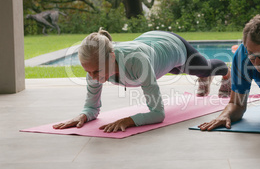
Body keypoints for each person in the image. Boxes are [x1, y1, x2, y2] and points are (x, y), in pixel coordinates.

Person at [53, 29, 231, 133]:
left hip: (172, 44)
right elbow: (92, 107)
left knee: (202, 68)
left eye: (96, 71)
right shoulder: (94, 68)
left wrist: (127, 121)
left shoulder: (137, 62)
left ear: (112, 56)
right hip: (152, 48)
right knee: (174, 70)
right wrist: (83, 115)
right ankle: (202, 77)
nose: (92, 77)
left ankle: (226, 74)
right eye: (88, 72)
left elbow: (158, 113)